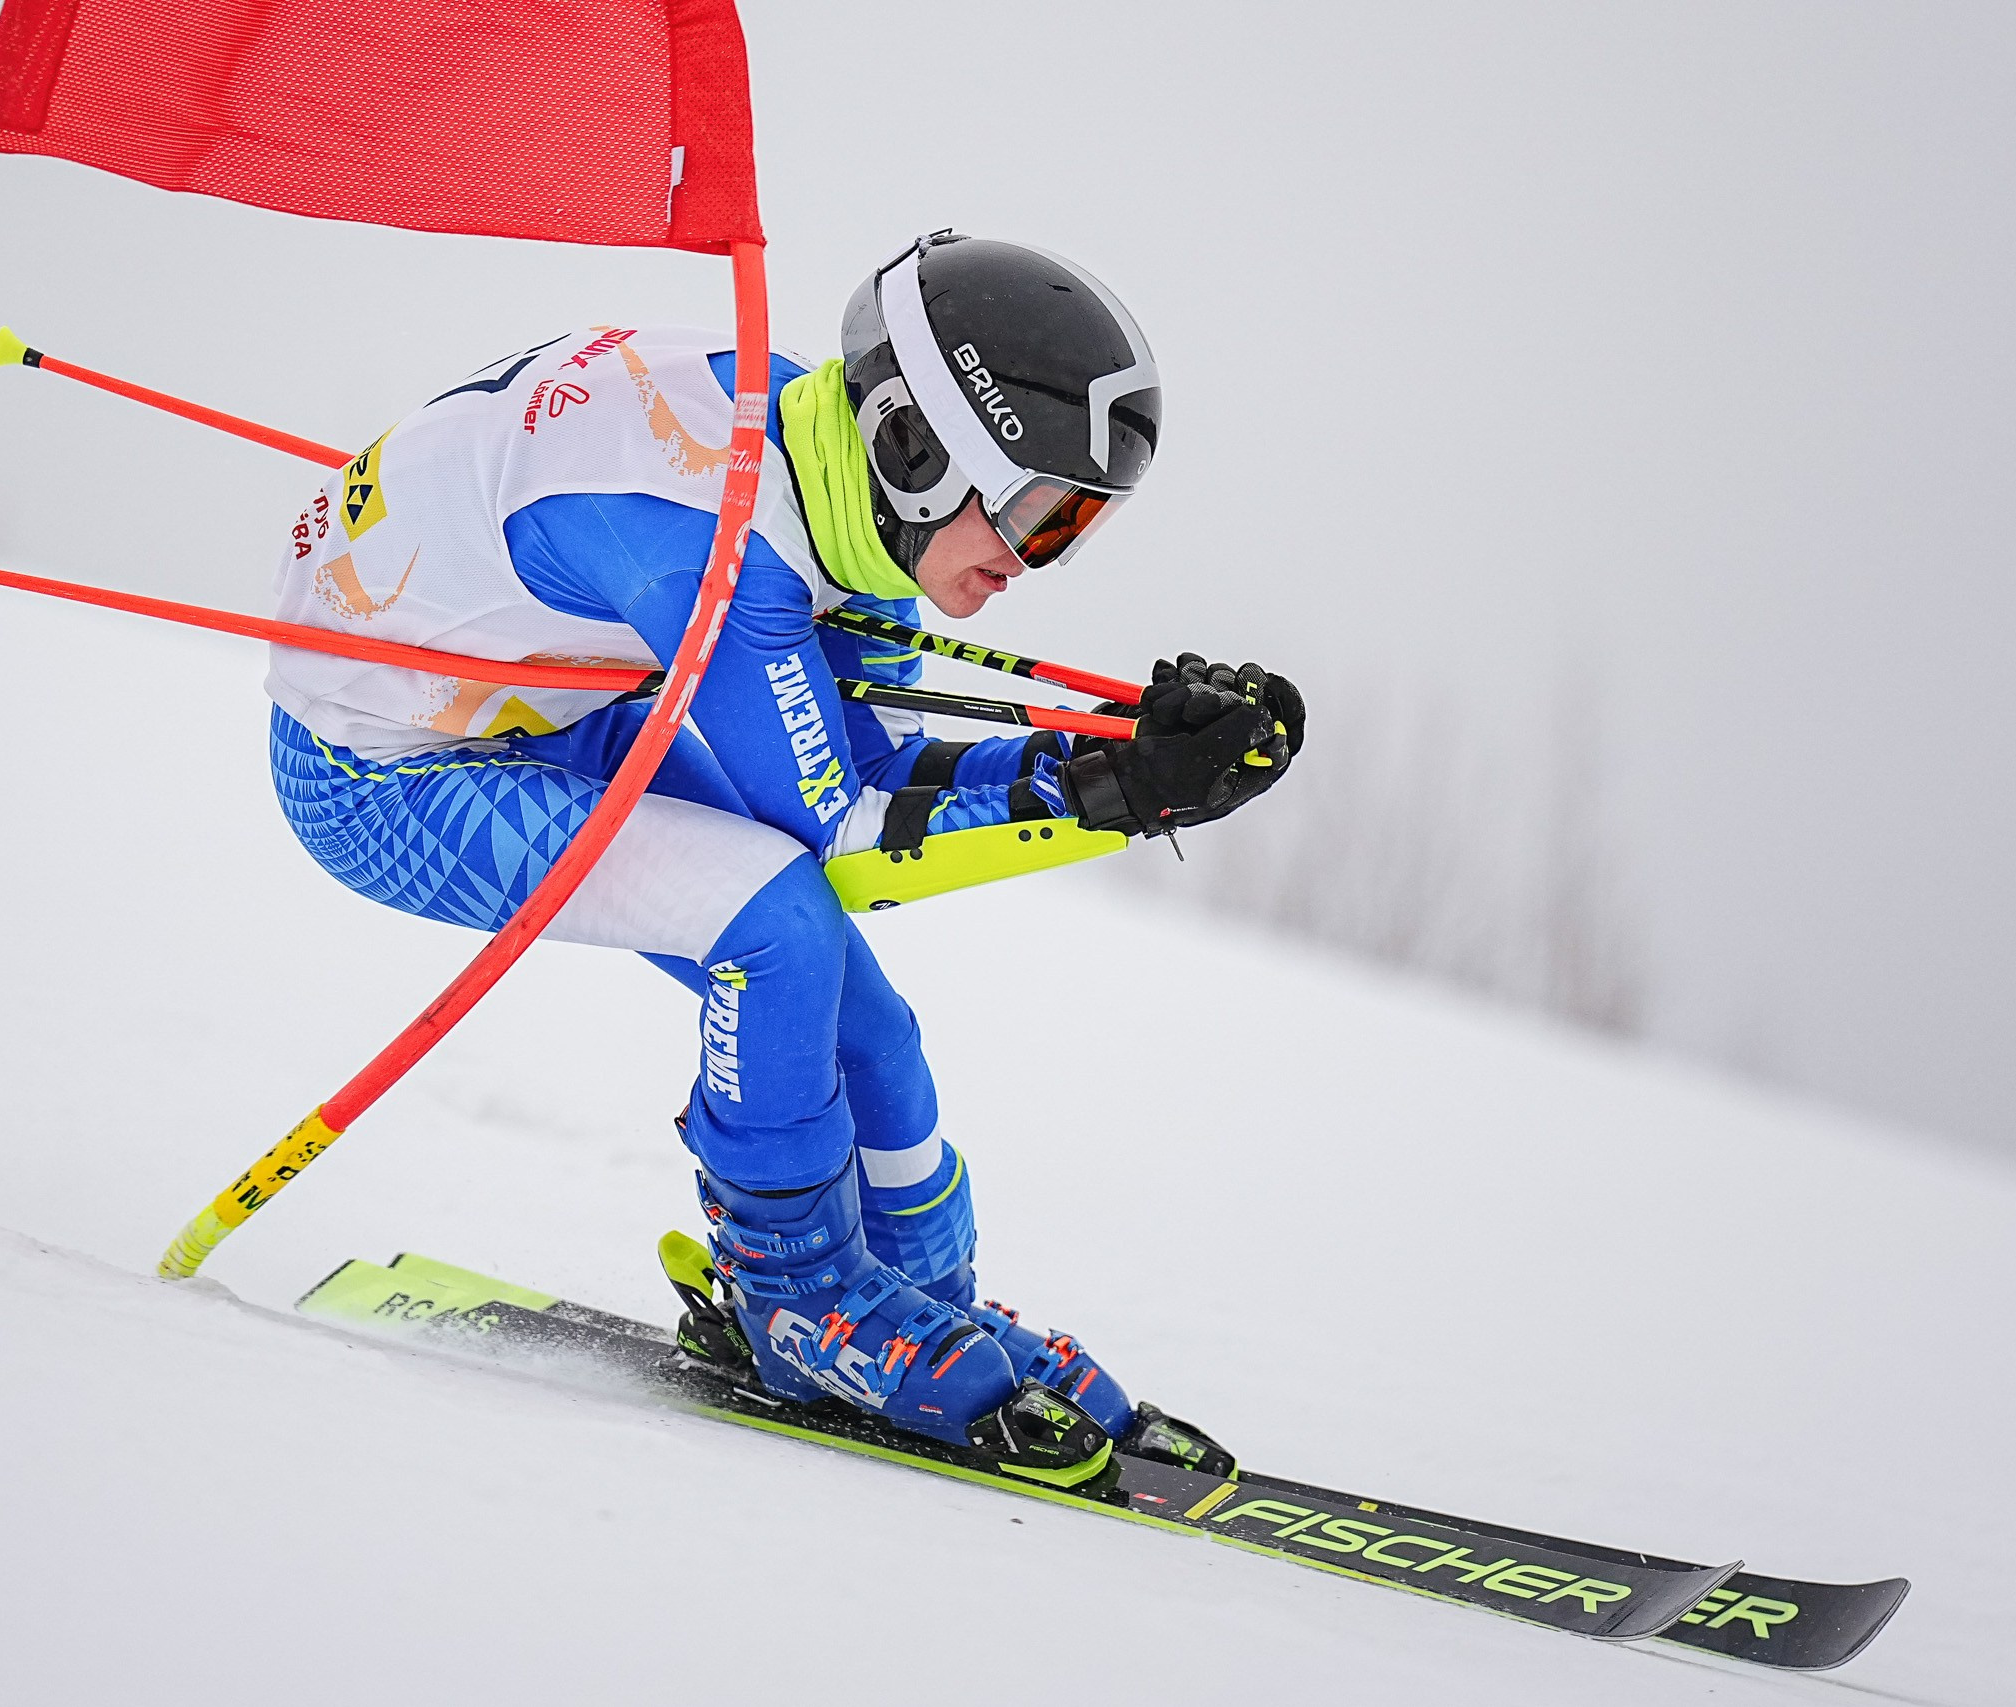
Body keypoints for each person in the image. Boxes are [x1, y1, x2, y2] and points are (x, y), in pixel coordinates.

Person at [264, 231, 1302, 1479]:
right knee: (780, 931)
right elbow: (849, 835)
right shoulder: (721, 544)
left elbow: (887, 768)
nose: (1035, 563)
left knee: (864, 1020)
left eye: (1075, 528)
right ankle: (801, 1295)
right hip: (379, 772)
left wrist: (1124, 755)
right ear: (918, 450)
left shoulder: (833, 473)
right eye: (1033, 512)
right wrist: (1120, 792)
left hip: (554, 702)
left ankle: (922, 1296)